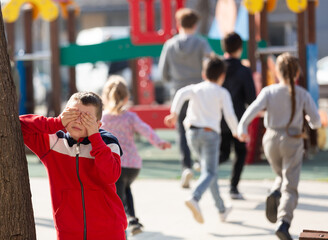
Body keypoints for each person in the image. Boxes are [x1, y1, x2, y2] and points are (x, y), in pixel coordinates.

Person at [19, 92, 127, 240]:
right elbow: (20, 125)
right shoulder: (54, 142)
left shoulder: (107, 143)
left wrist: (95, 137)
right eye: (73, 114)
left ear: (98, 124)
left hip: (109, 230)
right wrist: (56, 122)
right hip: (68, 232)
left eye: (86, 118)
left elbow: (111, 176)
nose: (78, 121)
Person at [237, 53, 321, 240]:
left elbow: (251, 110)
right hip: (292, 140)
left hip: (270, 140)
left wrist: (241, 127)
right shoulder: (302, 94)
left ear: (277, 72)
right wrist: (308, 119)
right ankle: (284, 222)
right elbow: (316, 122)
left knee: (280, 175)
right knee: (290, 186)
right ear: (297, 73)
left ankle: (275, 191)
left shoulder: (269, 91)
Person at [164, 56, 238, 224]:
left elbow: (180, 93)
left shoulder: (196, 88)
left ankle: (221, 209)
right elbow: (230, 115)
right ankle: (195, 198)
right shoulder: (222, 92)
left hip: (192, 134)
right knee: (210, 172)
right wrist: (236, 132)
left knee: (209, 172)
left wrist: (174, 113)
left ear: (204, 73)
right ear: (222, 76)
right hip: (210, 135)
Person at [101, 75, 171, 235]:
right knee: (125, 189)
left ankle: (124, 227)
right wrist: (159, 142)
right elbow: (145, 129)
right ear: (126, 98)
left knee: (118, 199)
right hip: (133, 166)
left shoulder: (103, 118)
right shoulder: (130, 117)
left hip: (115, 165)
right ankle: (132, 219)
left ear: (105, 97)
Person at [159, 7, 212, 188]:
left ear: (178, 24)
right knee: (203, 126)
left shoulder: (170, 45)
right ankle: (201, 161)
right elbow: (210, 63)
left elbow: (163, 73)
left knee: (181, 130)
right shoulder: (201, 43)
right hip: (199, 91)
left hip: (178, 91)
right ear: (195, 24)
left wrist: (173, 80)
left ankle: (186, 166)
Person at [219, 32, 256, 200]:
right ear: (240, 49)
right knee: (240, 152)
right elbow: (250, 98)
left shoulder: (216, 66)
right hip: (238, 119)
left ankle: (205, 166)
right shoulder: (243, 70)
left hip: (218, 118)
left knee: (223, 153)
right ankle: (233, 187)